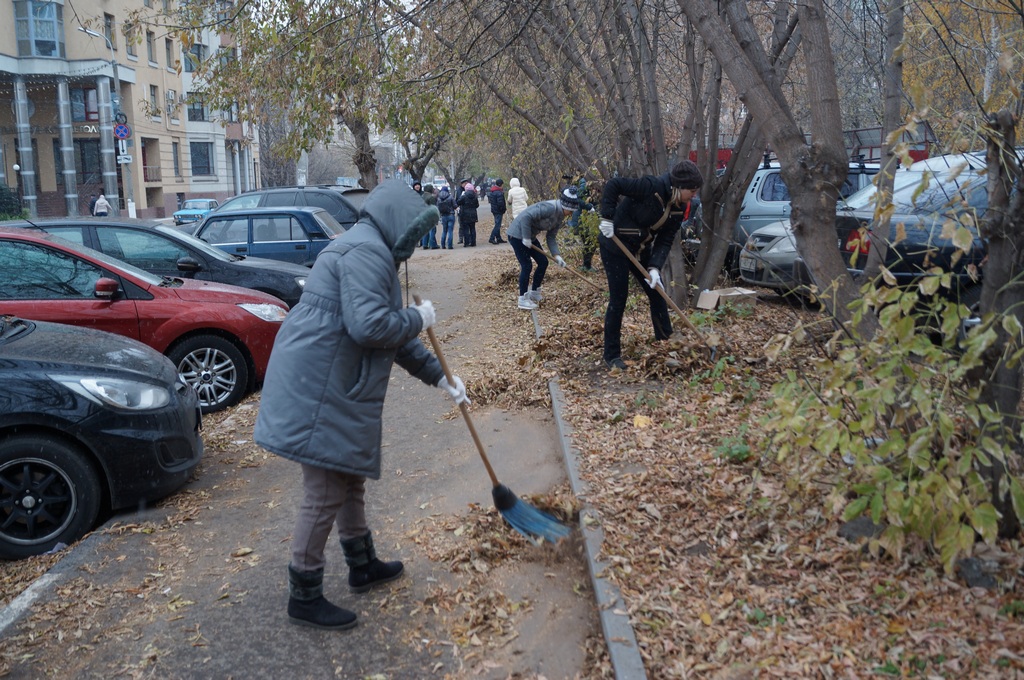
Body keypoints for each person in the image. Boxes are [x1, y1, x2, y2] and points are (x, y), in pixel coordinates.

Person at [253, 179, 470, 631]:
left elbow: (394, 340)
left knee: (348, 479)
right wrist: (418, 318)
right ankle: (305, 594)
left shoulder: (372, 249)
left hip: (327, 382)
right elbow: (372, 328)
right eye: (411, 233)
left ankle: (362, 565)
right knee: (326, 490)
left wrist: (442, 379)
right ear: (396, 222)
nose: (412, 245)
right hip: (318, 388)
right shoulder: (367, 253)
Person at [597, 159, 703, 370]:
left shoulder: (678, 208)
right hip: (615, 245)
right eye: (692, 190)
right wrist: (607, 218)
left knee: (657, 292)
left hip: (640, 250)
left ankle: (665, 342)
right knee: (619, 299)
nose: (694, 195)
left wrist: (655, 267)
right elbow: (614, 185)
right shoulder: (651, 187)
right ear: (679, 186)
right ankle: (612, 355)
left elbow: (665, 240)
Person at [506, 186, 576, 310]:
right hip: (517, 234)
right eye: (571, 211)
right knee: (527, 265)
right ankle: (522, 298)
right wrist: (526, 237)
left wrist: (557, 255)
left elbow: (551, 237)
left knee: (543, 262)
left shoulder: (560, 216)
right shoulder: (549, 208)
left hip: (530, 237)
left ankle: (535, 292)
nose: (571, 214)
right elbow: (527, 216)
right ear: (566, 207)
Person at [457, 182, 479, 247]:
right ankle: (473, 242)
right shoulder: (475, 196)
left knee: (466, 229)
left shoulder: (464, 196)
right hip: (473, 214)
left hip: (465, 214)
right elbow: (477, 205)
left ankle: (466, 242)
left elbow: (458, 202)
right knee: (472, 228)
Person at [487, 179, 508, 244]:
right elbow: (500, 203)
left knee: (497, 224)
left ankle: (498, 238)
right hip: (498, 210)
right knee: (497, 225)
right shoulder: (499, 192)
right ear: (500, 184)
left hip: (494, 210)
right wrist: (503, 209)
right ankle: (492, 238)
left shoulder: (493, 191)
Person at [420, 184, 440, 249]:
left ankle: (425, 244)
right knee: (432, 231)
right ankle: (433, 244)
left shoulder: (421, 196)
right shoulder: (431, 197)